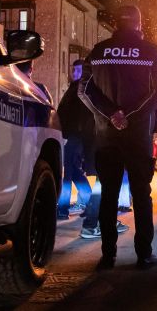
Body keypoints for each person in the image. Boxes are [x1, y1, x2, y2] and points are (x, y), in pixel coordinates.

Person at [78, 5, 157, 270]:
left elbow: (84, 89)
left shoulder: (98, 51)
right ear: (139, 24)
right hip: (138, 136)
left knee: (108, 194)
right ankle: (144, 254)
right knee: (141, 194)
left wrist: (111, 114)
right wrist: (128, 115)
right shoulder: (150, 52)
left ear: (116, 24)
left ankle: (108, 256)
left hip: (107, 136)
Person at [57, 59, 93, 219]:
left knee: (68, 173)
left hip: (76, 135)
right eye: (74, 70)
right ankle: (91, 204)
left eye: (79, 70)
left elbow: (82, 115)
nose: (75, 73)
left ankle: (62, 208)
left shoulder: (82, 89)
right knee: (74, 171)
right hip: (71, 135)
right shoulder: (74, 88)